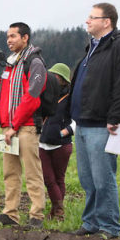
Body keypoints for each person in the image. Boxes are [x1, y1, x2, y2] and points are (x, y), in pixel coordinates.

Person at [68, 3, 120, 239]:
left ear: (106, 21)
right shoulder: (92, 48)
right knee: (87, 179)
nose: (87, 21)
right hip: (83, 123)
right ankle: (91, 222)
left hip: (103, 124)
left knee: (103, 178)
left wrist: (115, 116)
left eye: (91, 17)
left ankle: (109, 227)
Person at [0, 22, 48, 228]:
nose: (9, 40)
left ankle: (36, 216)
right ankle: (10, 212)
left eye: (13, 36)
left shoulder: (34, 62)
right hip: (8, 128)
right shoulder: (10, 64)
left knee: (32, 172)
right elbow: (0, 94)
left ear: (25, 38)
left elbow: (32, 97)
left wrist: (15, 124)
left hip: (26, 126)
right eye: (8, 36)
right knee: (10, 173)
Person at [38, 63, 74, 221]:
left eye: (55, 75)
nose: (51, 77)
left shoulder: (71, 98)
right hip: (43, 143)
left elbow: (77, 119)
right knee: (48, 179)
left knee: (59, 178)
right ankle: (58, 210)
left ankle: (57, 213)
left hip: (62, 144)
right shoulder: (45, 94)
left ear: (63, 80)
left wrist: (63, 132)